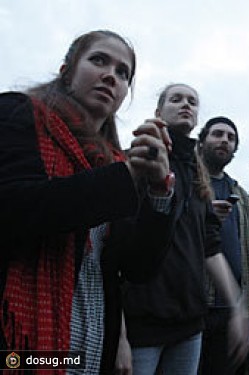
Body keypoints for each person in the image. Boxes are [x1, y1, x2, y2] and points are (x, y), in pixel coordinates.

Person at [0, 30, 174, 373]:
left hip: (87, 351)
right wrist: (127, 177)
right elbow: (14, 207)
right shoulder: (16, 112)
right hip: (19, 347)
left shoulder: (111, 162)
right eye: (98, 61)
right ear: (67, 71)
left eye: (123, 73)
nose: (111, 75)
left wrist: (159, 191)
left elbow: (136, 267)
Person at [123, 85, 249, 375]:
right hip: (143, 320)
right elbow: (114, 248)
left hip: (190, 322)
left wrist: (237, 307)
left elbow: (210, 246)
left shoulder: (196, 172)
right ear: (158, 112)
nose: (185, 105)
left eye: (192, 102)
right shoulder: (138, 157)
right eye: (176, 99)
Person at [197, 116, 249, 374]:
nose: (224, 140)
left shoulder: (240, 194)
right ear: (202, 141)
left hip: (231, 308)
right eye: (217, 134)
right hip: (196, 303)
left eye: (231, 138)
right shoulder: (190, 182)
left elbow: (248, 247)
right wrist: (203, 215)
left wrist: (245, 306)